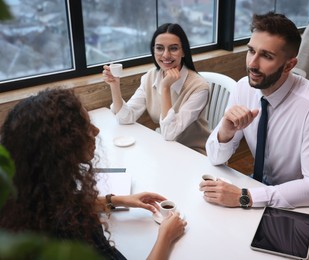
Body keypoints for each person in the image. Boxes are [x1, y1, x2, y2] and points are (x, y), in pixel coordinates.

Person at [0, 88, 187, 260]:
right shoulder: (72, 228)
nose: (96, 131)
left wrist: (116, 200)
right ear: (61, 145)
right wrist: (166, 236)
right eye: (85, 127)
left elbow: (59, 203)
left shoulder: (24, 196)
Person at [200, 12, 309, 211]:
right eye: (251, 51)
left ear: (289, 65)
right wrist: (226, 132)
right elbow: (215, 158)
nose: (252, 64)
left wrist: (245, 197)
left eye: (266, 56)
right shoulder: (243, 88)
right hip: (260, 187)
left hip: (304, 203)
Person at [103, 23, 210, 154]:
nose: (165, 55)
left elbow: (169, 133)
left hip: (194, 153)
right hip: (165, 148)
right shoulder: (150, 77)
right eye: (159, 48)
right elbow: (125, 118)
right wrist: (115, 85)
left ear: (183, 52)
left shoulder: (199, 88)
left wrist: (165, 87)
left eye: (174, 48)